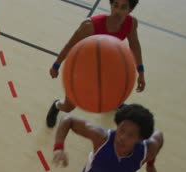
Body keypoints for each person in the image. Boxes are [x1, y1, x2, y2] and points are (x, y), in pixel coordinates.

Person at [46, 0, 146, 128]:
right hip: (81, 68)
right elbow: (69, 46)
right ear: (111, 5)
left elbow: (134, 45)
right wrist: (56, 65)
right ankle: (56, 105)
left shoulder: (131, 23)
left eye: (123, 7)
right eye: (115, 5)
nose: (117, 11)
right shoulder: (90, 26)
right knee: (68, 107)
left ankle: (115, 103)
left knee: (115, 92)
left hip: (106, 66)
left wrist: (141, 72)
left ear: (130, 10)